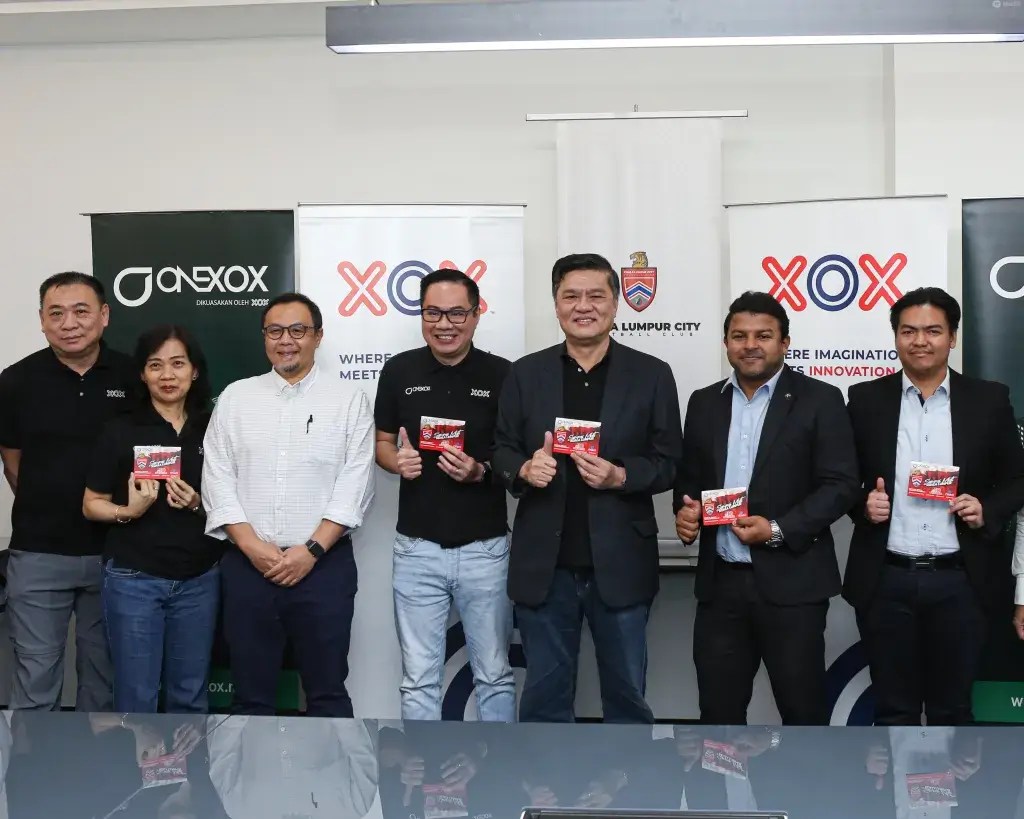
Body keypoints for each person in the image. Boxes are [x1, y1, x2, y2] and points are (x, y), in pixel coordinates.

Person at [493, 252, 682, 724]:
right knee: (544, 698)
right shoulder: (525, 373)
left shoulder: (652, 374)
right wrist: (523, 469)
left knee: (627, 698)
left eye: (596, 295)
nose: (583, 306)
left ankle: (627, 774)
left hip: (621, 562)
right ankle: (546, 776)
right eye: (571, 296)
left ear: (616, 304)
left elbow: (669, 462)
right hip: (545, 564)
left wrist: (621, 475)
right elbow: (500, 450)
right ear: (556, 305)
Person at [674, 291, 859, 725]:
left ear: (785, 342)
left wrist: (777, 529)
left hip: (793, 587)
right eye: (739, 336)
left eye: (763, 335)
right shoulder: (704, 402)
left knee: (802, 715)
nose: (750, 345)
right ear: (726, 343)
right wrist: (687, 515)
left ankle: (801, 777)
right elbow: (691, 481)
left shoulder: (820, 399)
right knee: (717, 717)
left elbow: (841, 485)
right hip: (721, 587)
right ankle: (718, 773)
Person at [845, 287, 1024, 725]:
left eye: (932, 331)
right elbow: (837, 480)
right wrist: (862, 503)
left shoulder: (988, 399)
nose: (920, 341)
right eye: (908, 331)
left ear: (953, 337)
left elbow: (1018, 479)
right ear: (896, 337)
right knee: (893, 711)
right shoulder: (865, 399)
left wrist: (987, 509)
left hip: (961, 581)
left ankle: (953, 775)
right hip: (886, 579)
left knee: (953, 712)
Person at [201, 292, 375, 717]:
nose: (286, 341)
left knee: (328, 692)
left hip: (324, 567)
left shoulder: (348, 399)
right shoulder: (236, 398)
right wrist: (251, 547)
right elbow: (217, 476)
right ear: (264, 337)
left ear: (317, 336)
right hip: (248, 568)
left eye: (298, 330)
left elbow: (356, 482)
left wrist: (311, 551)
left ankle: (334, 766)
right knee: (250, 697)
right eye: (275, 331)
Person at [374, 269, 514, 722]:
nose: (444, 324)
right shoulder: (399, 370)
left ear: (476, 315)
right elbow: (382, 442)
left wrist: (480, 470)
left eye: (456, 313)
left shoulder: (503, 374)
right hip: (416, 548)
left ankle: (503, 768)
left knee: (494, 675)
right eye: (433, 313)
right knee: (418, 679)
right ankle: (425, 768)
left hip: (486, 548)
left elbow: (515, 456)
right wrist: (396, 461)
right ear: (421, 315)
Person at [0, 271, 135, 711]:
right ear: (41, 320)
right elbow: (13, 464)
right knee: (35, 674)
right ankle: (31, 759)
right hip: (39, 552)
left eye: (81, 311)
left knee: (105, 675)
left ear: (104, 315)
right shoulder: (16, 381)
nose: (69, 323)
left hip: (117, 552)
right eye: (56, 313)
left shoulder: (134, 377)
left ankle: (100, 759)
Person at [83, 324, 223, 713]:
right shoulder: (120, 429)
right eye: (155, 365)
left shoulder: (214, 427)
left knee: (190, 694)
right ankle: (139, 757)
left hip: (199, 578)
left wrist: (198, 504)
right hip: (134, 579)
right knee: (136, 696)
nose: (167, 375)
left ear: (194, 370)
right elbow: (91, 504)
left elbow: (236, 504)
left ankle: (188, 758)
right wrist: (128, 511)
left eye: (178, 364)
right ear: (143, 374)